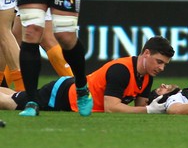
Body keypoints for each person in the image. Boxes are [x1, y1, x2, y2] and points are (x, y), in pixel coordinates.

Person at [0, 36, 175, 114]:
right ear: (146, 53)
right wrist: (149, 111)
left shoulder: (146, 77)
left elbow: (140, 108)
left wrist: (156, 105)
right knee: (12, 104)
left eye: (165, 65)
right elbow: (111, 108)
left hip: (71, 93)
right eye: (159, 61)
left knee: (18, 96)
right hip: (63, 96)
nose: (161, 68)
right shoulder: (121, 70)